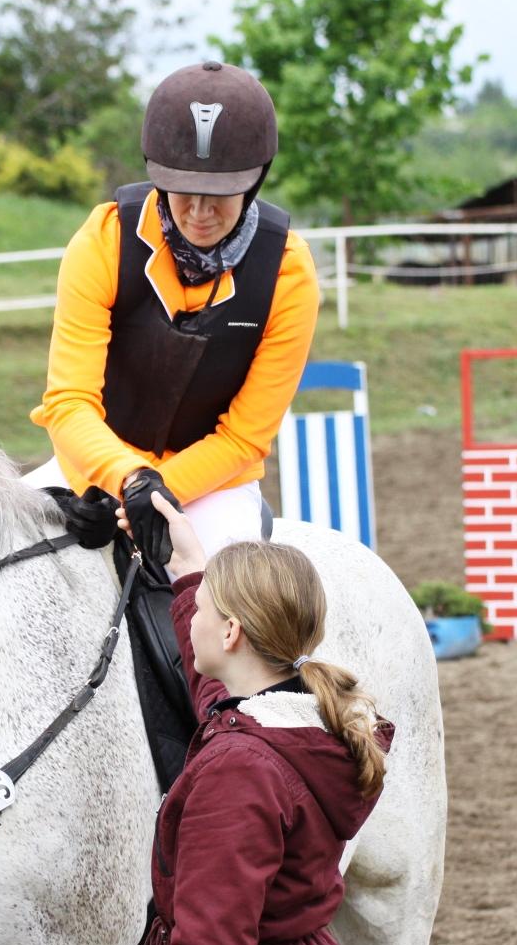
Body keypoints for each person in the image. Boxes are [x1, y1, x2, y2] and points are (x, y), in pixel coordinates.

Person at [107, 493, 392, 945]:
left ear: (232, 632)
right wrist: (191, 574)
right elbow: (215, 692)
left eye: (205, 610)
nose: (195, 621)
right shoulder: (300, 725)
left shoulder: (240, 773)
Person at [26, 61, 319, 568]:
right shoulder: (104, 241)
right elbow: (70, 401)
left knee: (221, 599)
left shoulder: (288, 274)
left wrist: (151, 494)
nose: (200, 212)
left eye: (221, 194)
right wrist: (122, 480)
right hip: (93, 466)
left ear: (255, 181)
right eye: (184, 190)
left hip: (213, 489)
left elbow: (244, 437)